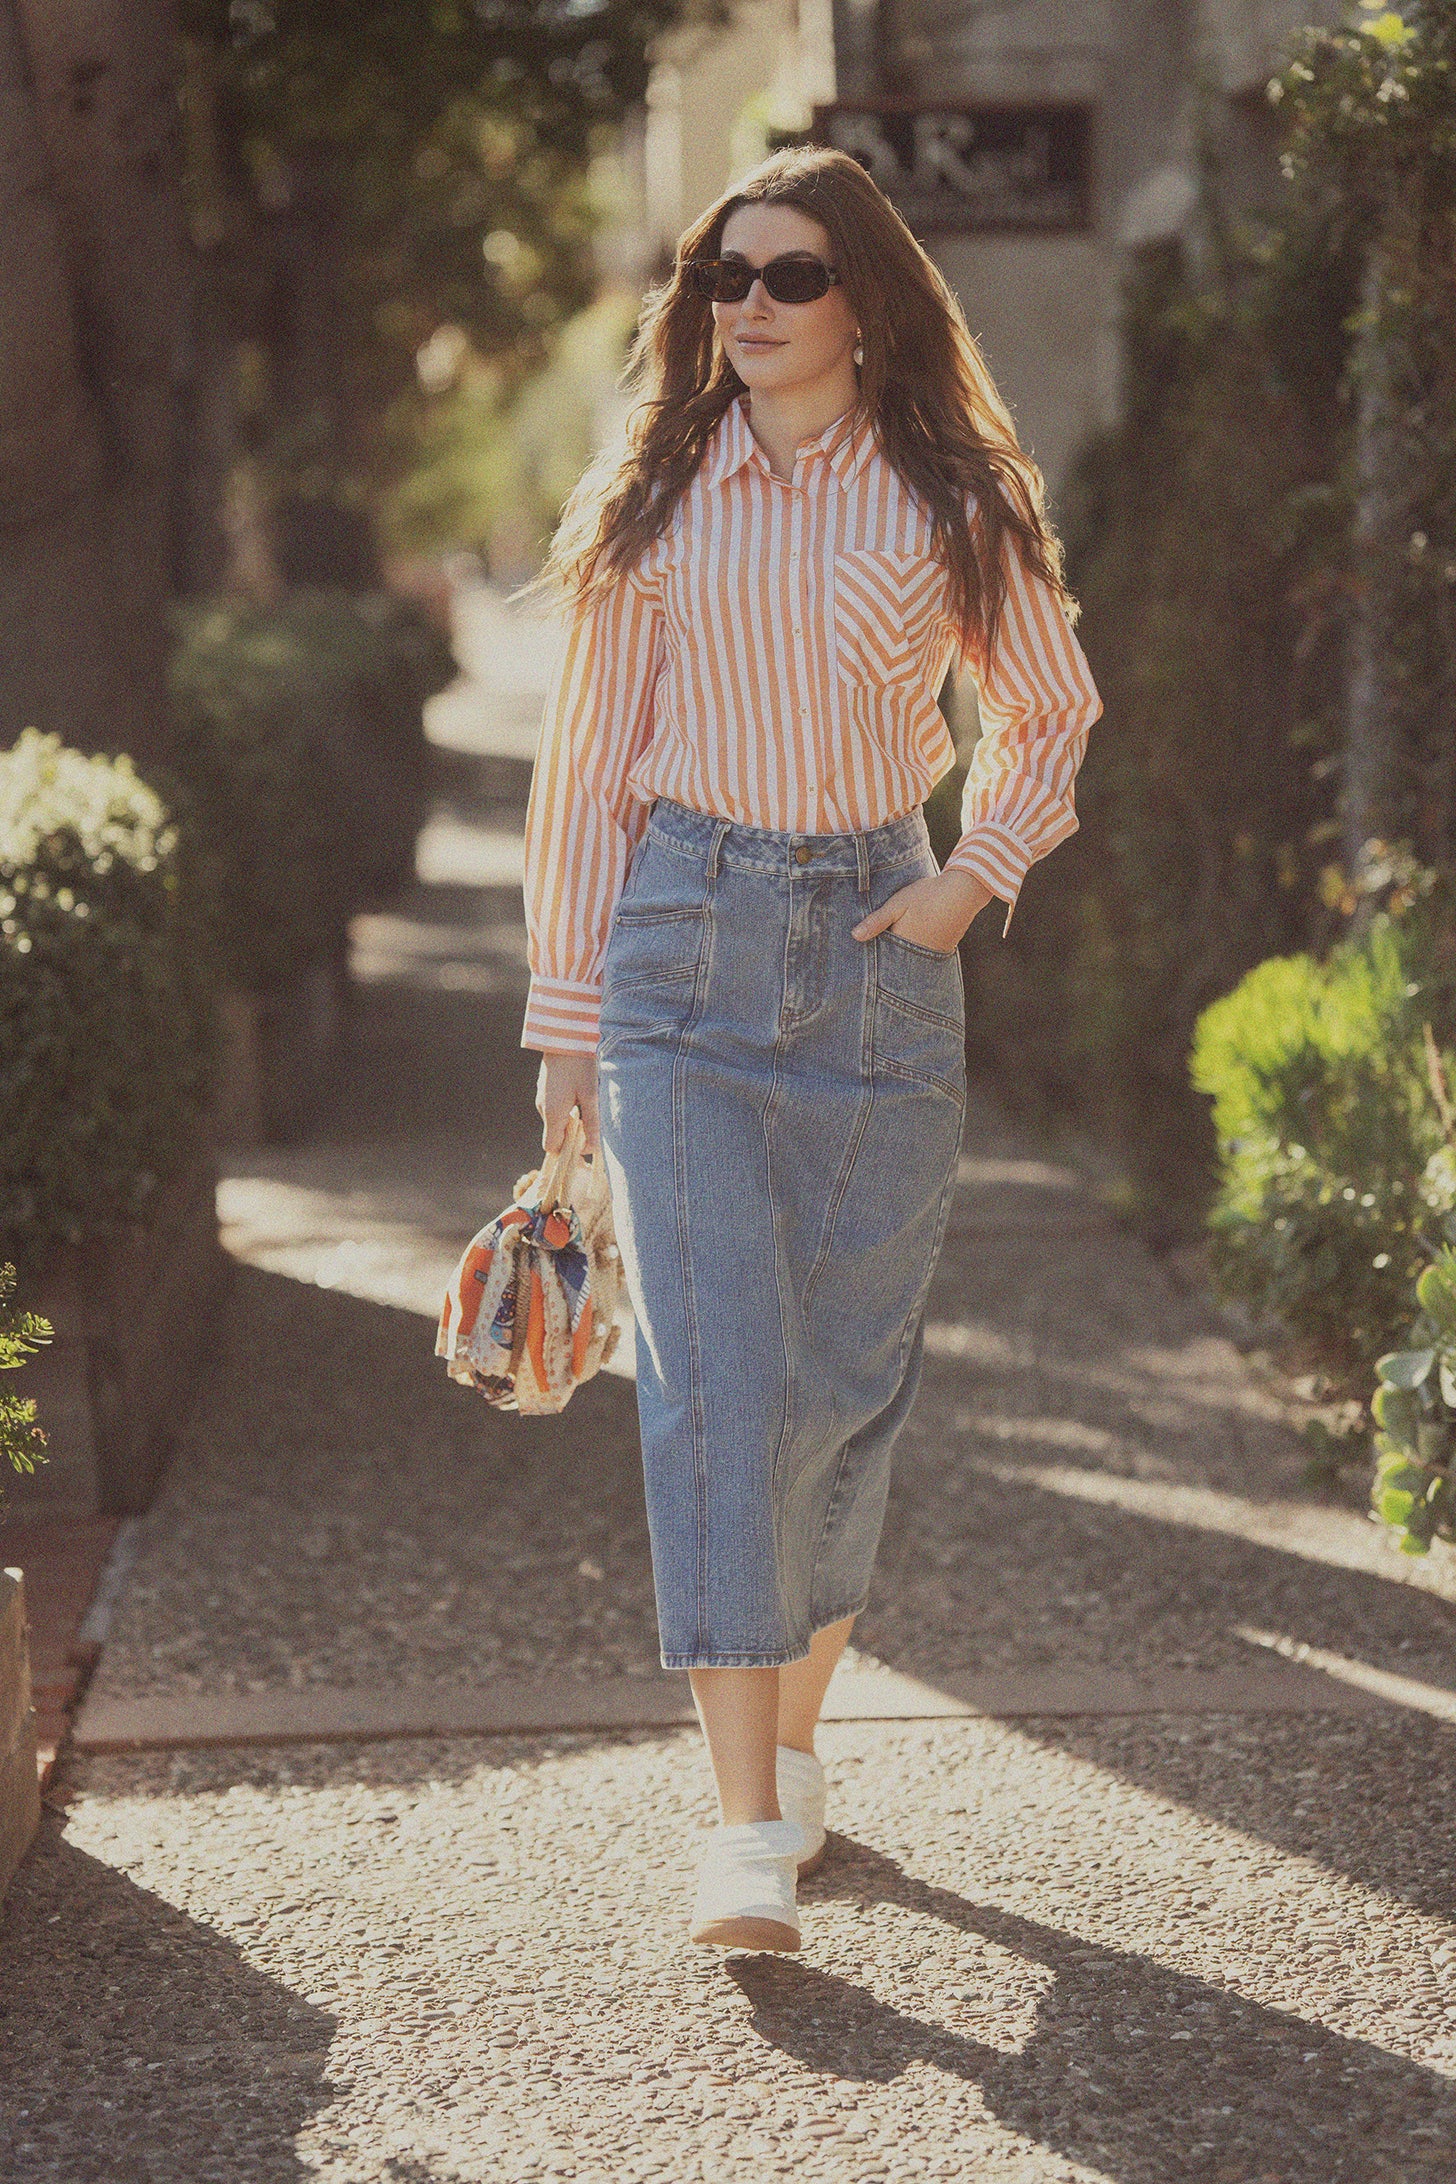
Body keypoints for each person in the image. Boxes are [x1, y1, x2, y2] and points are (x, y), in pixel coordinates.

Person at [521, 145, 1100, 1952]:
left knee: (847, 1391)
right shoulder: (656, 492)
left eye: (783, 276)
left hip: (874, 957)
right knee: (716, 1382)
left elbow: (1051, 708)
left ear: (863, 299)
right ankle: (746, 1832)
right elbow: (591, 768)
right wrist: (562, 1030)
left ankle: (790, 1742)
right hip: (681, 952)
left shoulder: (949, 492)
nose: (746, 307)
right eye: (721, 277)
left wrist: (964, 882)